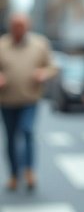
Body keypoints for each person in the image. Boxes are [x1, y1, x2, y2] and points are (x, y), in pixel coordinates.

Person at [0, 13, 55, 191]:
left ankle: (29, 170)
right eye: (15, 25)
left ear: (28, 26)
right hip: (7, 100)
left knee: (27, 130)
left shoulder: (40, 44)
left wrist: (43, 73)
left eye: (21, 25)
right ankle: (15, 174)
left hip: (30, 99)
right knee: (10, 138)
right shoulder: (2, 45)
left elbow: (52, 66)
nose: (18, 28)